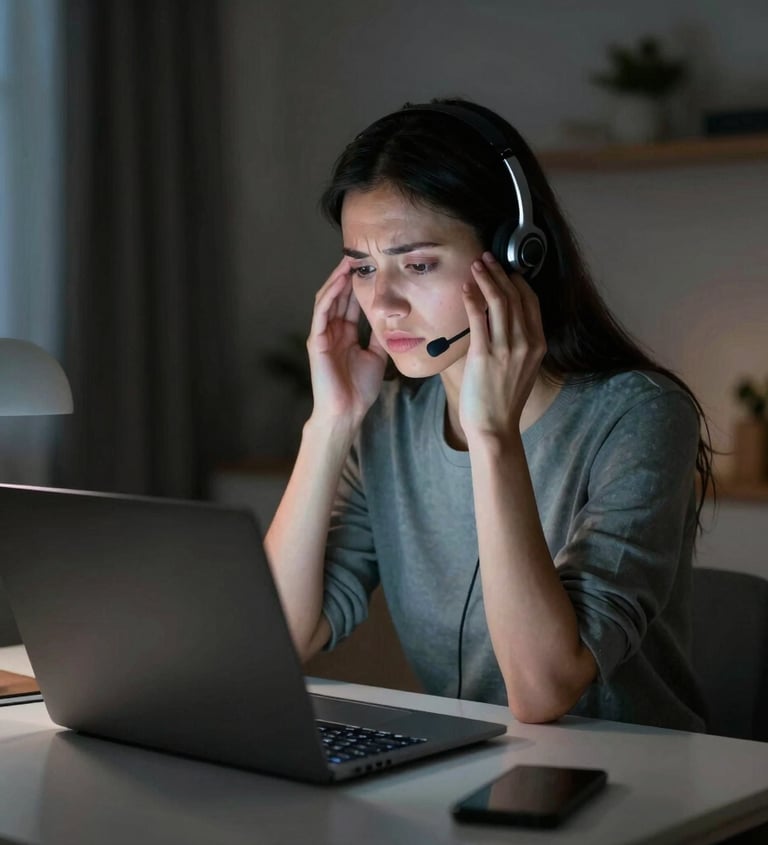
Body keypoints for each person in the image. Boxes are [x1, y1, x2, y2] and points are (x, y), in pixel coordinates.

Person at [264, 97, 713, 732]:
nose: (383, 303)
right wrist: (329, 424)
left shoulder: (639, 416)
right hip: (478, 768)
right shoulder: (386, 423)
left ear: (514, 255)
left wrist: (493, 435)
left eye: (418, 264)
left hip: (635, 776)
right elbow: (280, 639)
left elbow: (542, 690)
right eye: (363, 268)